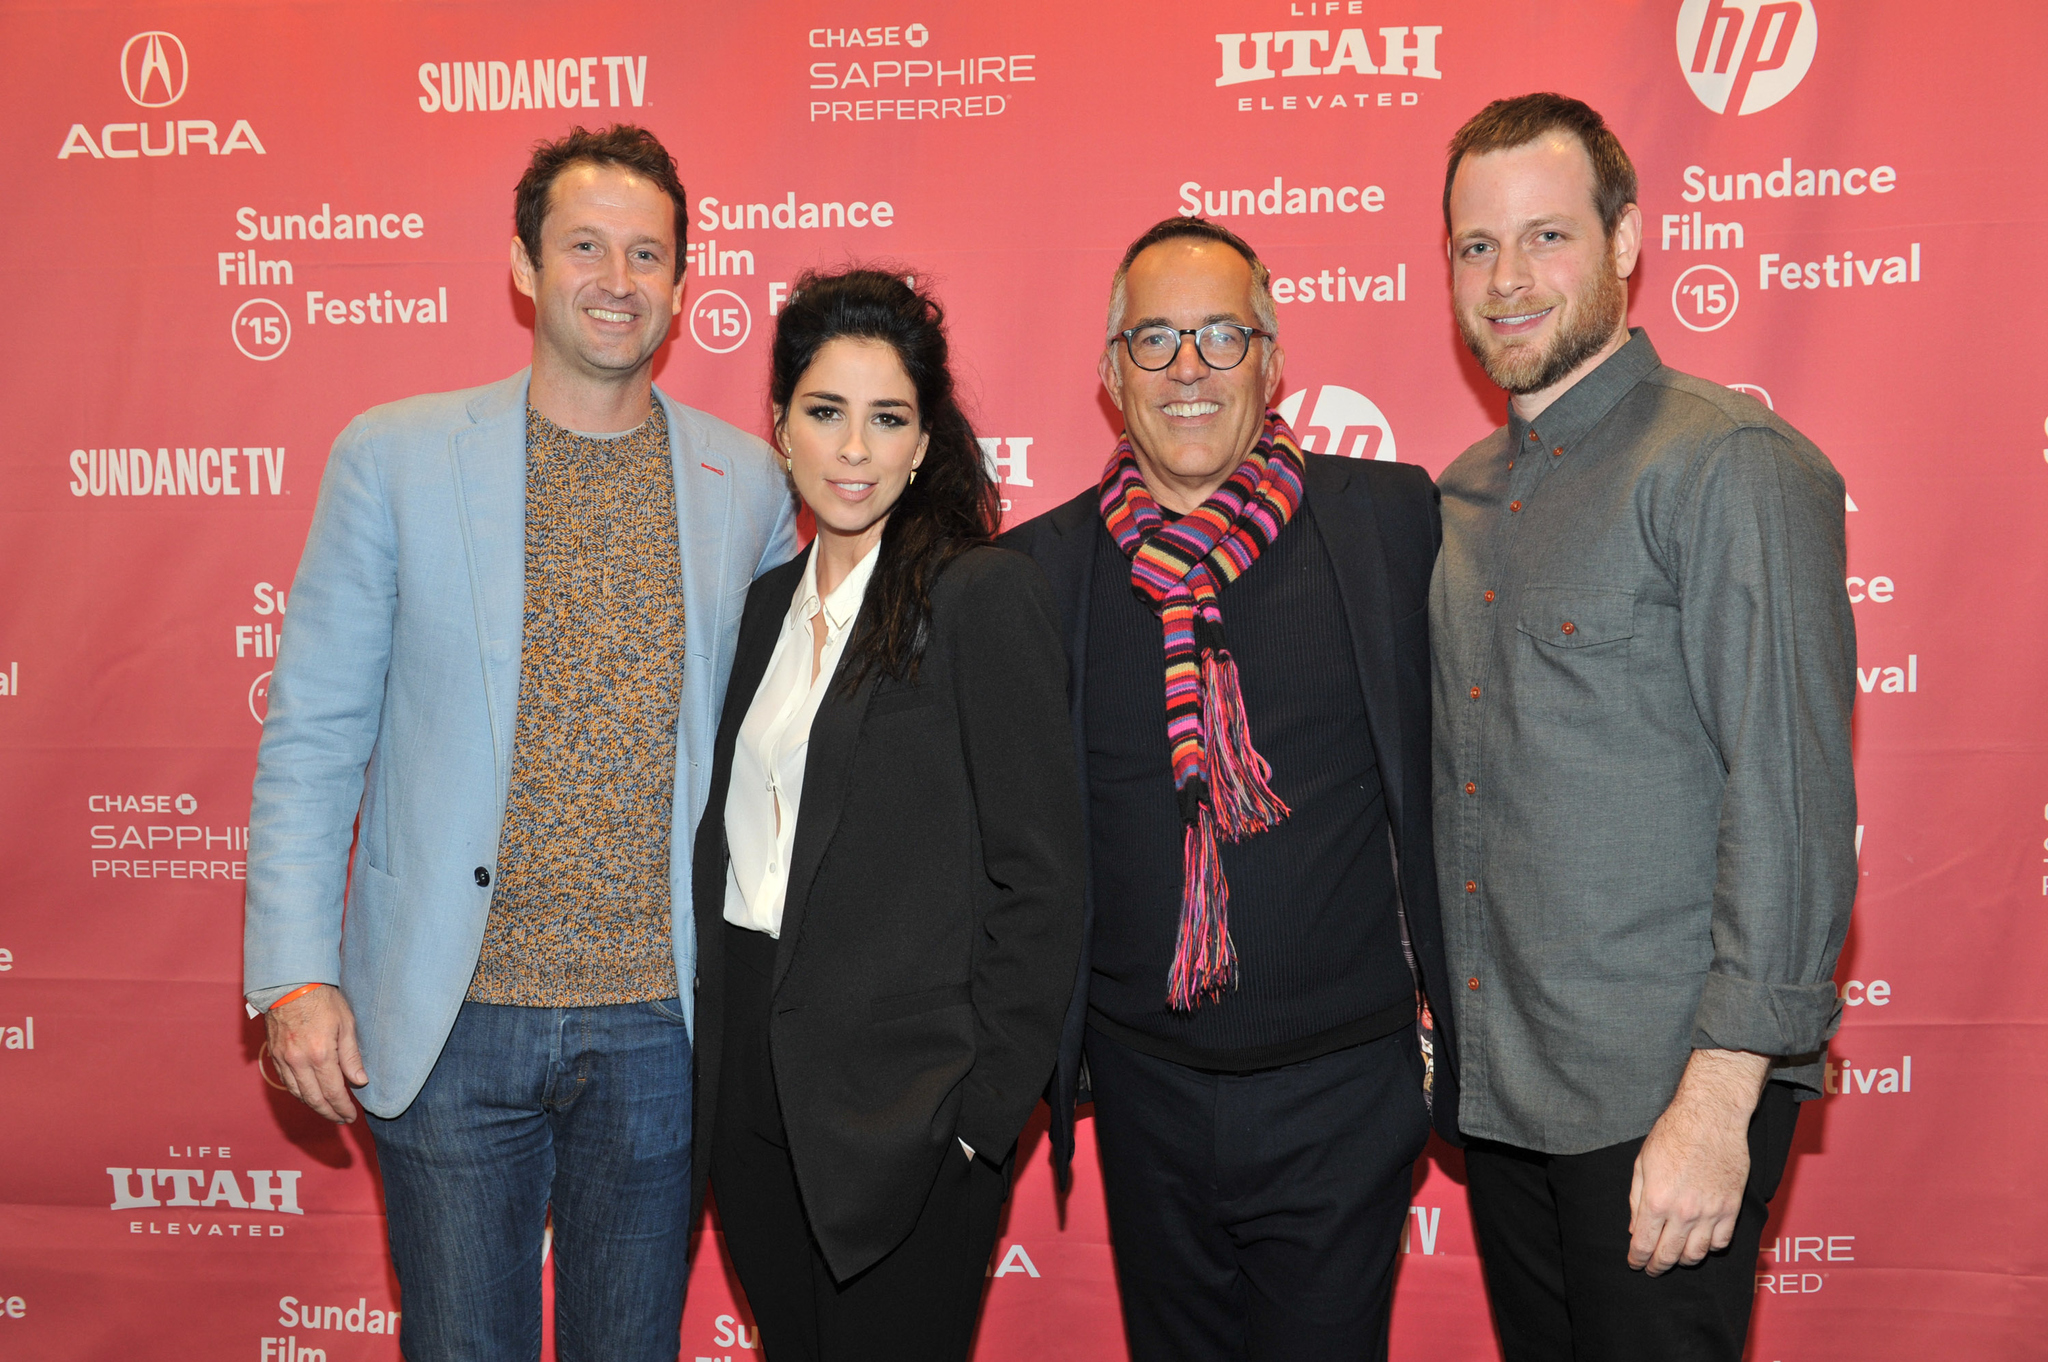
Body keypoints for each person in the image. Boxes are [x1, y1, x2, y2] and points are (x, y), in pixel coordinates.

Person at [243, 124, 798, 1361]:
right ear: (521, 265)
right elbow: (316, 733)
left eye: (647, 252)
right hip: (447, 1018)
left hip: (661, 1023)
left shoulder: (751, 485)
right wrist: (292, 973)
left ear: (680, 279)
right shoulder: (392, 457)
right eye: (586, 246)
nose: (617, 278)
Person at [1431, 93, 1857, 1360]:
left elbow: (1784, 800)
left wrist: (1720, 1099)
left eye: (1545, 236)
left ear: (1625, 239)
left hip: (1658, 1098)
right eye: (1473, 246)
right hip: (1501, 1096)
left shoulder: (1727, 464)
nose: (1506, 280)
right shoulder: (1457, 500)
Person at [1002, 218, 1458, 1361]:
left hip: (1342, 1093)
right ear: (1111, 374)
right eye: (1154, 340)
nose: (1188, 368)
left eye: (1220, 334)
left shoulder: (1393, 522)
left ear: (1272, 358)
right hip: (1145, 1099)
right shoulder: (1034, 572)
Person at [690, 268, 1085, 1360]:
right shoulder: (767, 605)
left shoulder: (976, 594)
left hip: (906, 1114)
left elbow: (1041, 879)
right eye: (825, 413)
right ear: (778, 428)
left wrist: (978, 1124)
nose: (853, 449)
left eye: (886, 419)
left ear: (922, 443)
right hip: (754, 1099)